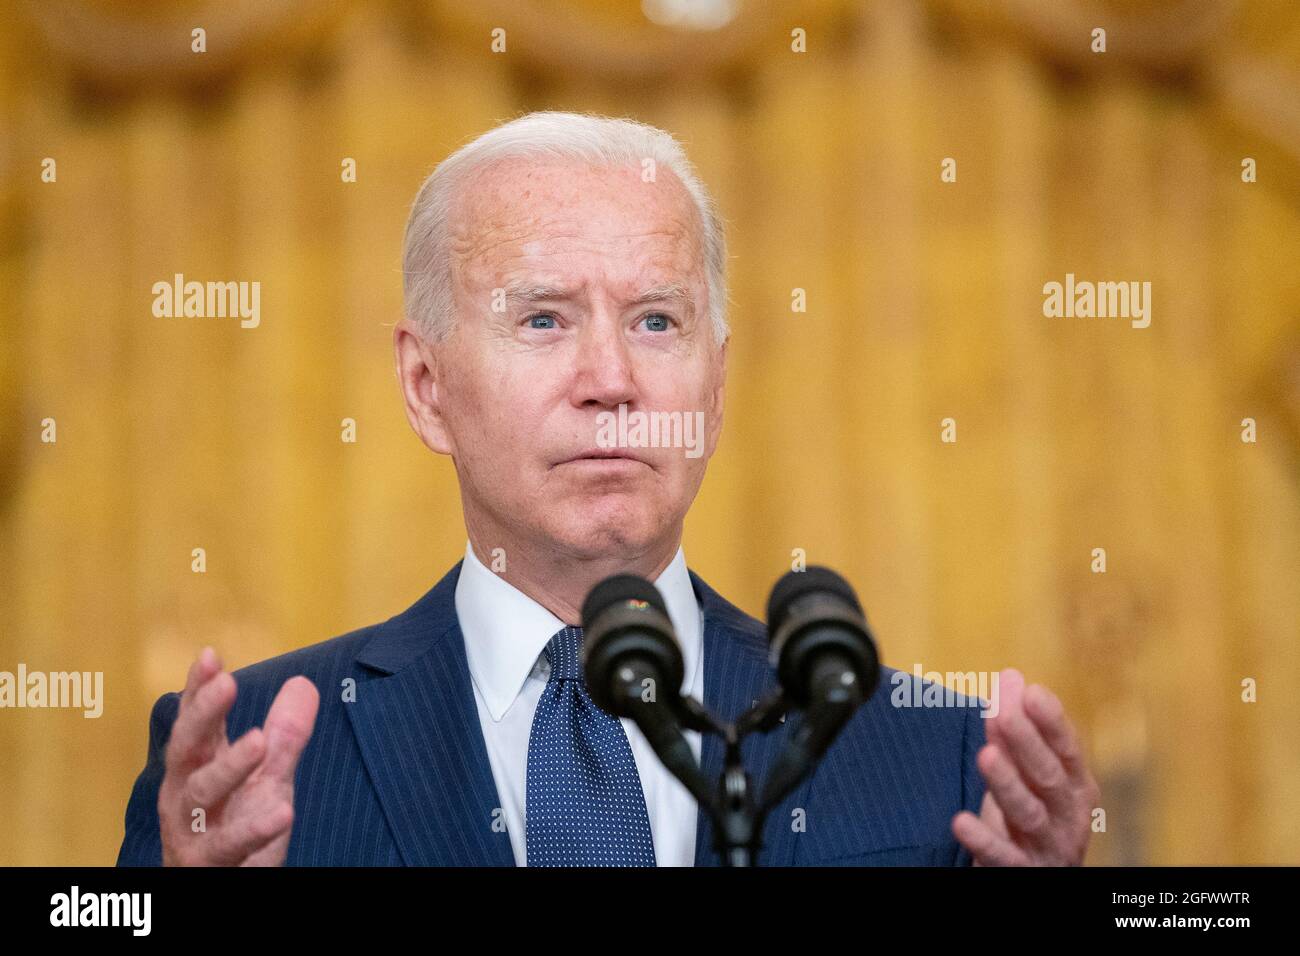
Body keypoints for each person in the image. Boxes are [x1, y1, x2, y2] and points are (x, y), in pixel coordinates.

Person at [117, 111, 1099, 867]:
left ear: (713, 388)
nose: (612, 377)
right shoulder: (244, 756)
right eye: (542, 319)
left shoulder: (937, 756)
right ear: (427, 389)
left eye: (657, 322)